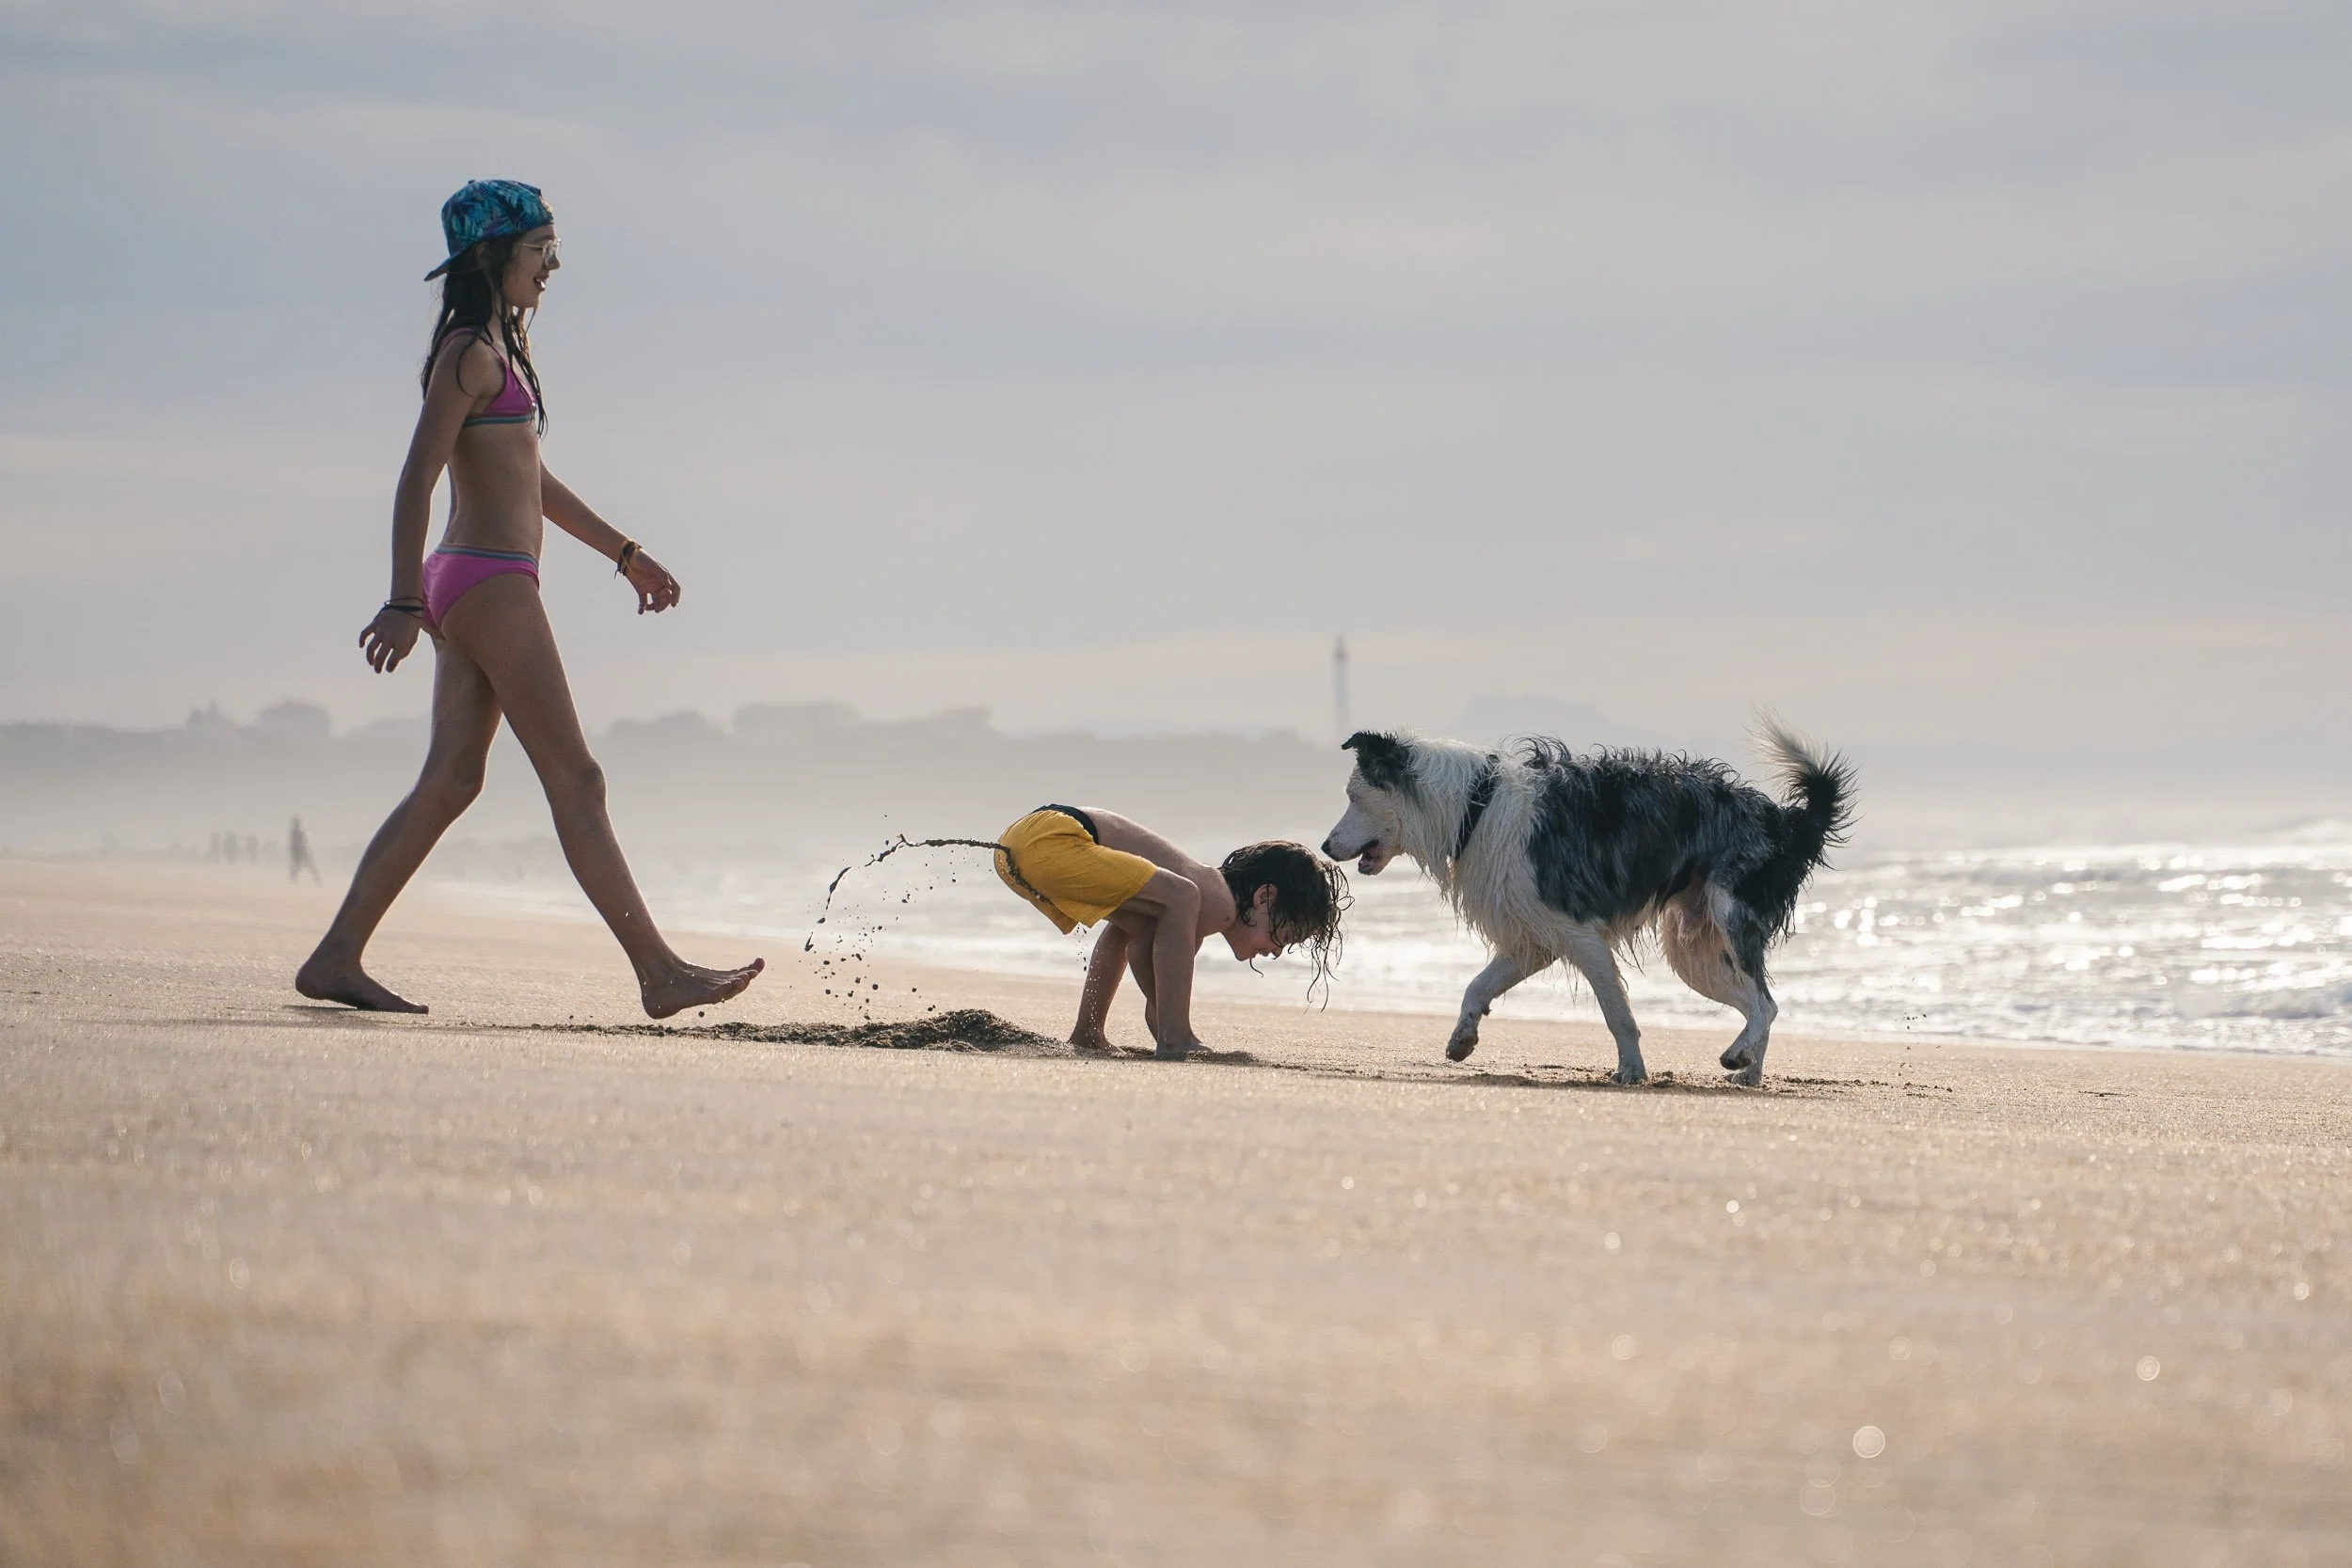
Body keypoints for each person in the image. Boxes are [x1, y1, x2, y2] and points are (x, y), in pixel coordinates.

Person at [296, 180, 762, 1018]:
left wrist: (624, 552)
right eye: (538, 249)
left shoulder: (497, 353)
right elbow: (415, 478)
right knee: (577, 778)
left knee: (450, 781)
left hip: (474, 579)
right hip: (485, 581)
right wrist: (402, 600)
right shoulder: (470, 353)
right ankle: (659, 971)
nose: (552, 266)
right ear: (490, 255)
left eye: (554, 248)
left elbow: (529, 480)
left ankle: (336, 956)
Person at [992, 805, 1346, 1057]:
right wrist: (1172, 1032)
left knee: (1128, 925)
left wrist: (1160, 1016)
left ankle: (1088, 1032)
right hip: (1053, 838)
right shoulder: (1216, 903)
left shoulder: (1179, 912)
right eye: (1283, 937)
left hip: (1017, 847)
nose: (1276, 952)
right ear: (1264, 897)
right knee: (1182, 895)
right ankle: (1177, 1037)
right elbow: (1154, 991)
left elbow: (1128, 949)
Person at [288, 816, 321, 882]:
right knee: (295, 867)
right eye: (296, 823)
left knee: (310, 866)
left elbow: (304, 842)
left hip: (302, 852)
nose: (297, 824)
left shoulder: (299, 832)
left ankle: (317, 879)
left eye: (297, 823)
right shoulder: (294, 833)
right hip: (297, 852)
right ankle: (294, 880)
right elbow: (293, 843)